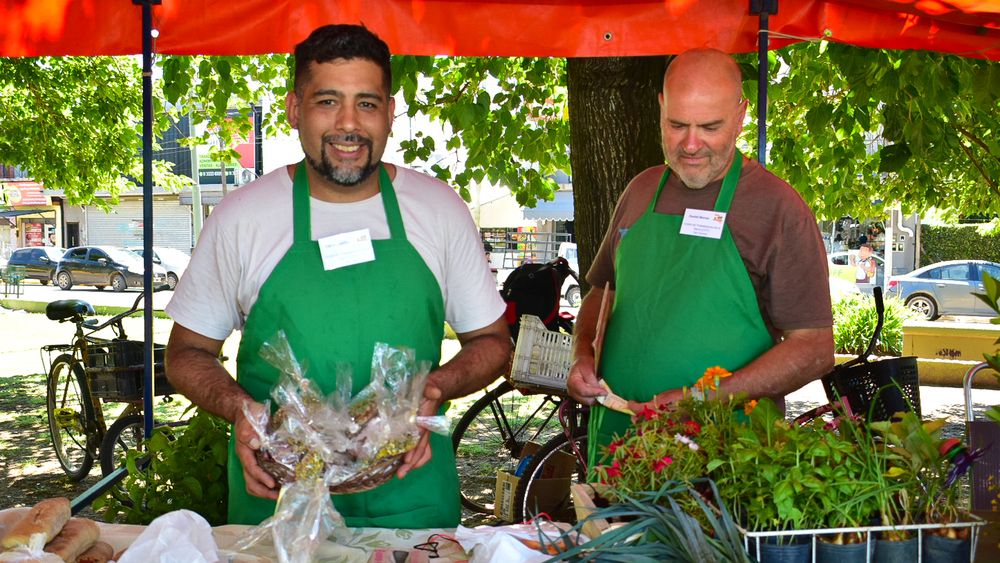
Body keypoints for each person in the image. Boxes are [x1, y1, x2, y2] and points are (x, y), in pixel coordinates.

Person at [164, 24, 510, 528]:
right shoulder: (243, 217)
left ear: (390, 113)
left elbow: (493, 342)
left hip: (409, 498)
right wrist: (240, 408)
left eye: (366, 104)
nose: (348, 124)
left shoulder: (439, 210)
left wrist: (436, 386)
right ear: (293, 108)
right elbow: (185, 353)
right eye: (327, 101)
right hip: (279, 505)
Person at [566, 49, 835, 468]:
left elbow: (814, 348)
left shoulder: (777, 208)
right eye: (677, 125)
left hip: (725, 459)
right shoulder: (639, 191)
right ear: (660, 108)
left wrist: (703, 400)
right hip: (617, 447)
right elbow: (603, 290)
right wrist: (582, 353)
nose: (691, 144)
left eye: (710, 127)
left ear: (741, 115)